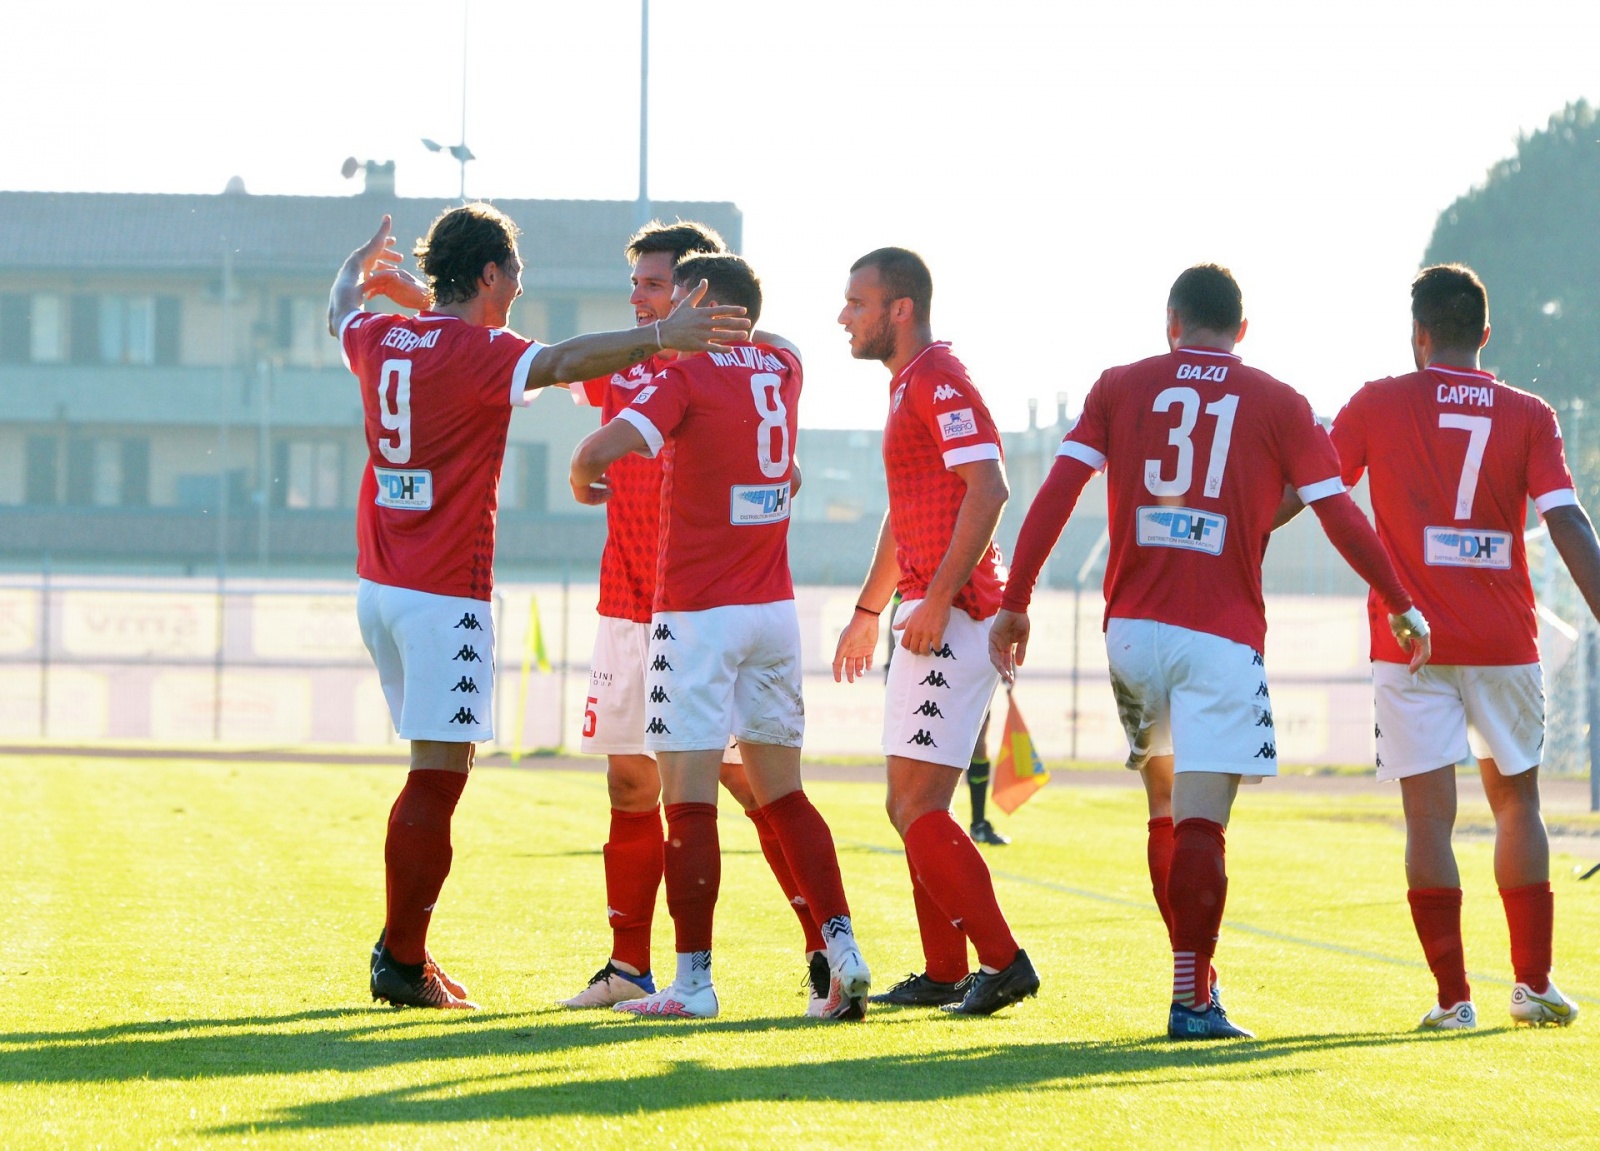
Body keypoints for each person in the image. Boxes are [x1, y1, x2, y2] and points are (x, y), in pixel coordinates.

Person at [988, 263, 1431, 1039]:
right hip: (1218, 634)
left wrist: (1016, 600)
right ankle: (1192, 997)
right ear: (1243, 329)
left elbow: (1055, 493)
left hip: (1130, 632)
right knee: (1202, 823)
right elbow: (1341, 517)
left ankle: (1196, 972)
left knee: (1164, 809)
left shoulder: (1120, 384)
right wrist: (1400, 602)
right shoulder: (1279, 400)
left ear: (1171, 320)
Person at [330, 206, 750, 1009]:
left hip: (377, 586)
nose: (521, 288)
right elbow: (562, 360)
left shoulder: (381, 338)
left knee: (435, 768)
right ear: (490, 275)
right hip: (442, 592)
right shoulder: (483, 351)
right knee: (438, 776)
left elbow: (340, 309)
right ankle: (401, 957)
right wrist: (666, 337)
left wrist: (357, 269)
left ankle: (405, 949)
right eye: (516, 272)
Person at [569, 253, 871, 1020]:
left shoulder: (685, 375)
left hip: (695, 613)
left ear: (702, 301)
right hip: (773, 609)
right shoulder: (784, 364)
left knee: (691, 804)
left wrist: (582, 468)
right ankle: (843, 950)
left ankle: (693, 982)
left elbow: (599, 450)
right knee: (787, 795)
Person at [1321, 264, 1600, 1029]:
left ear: (1418, 334)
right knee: (1519, 804)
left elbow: (1312, 489)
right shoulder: (1530, 413)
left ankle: (1453, 998)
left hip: (1409, 636)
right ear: (1484, 332)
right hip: (1506, 636)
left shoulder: (1376, 402)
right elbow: (1568, 522)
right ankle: (1534, 983)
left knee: (1428, 820)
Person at [832, 247, 1038, 1016]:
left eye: (856, 302)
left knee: (916, 807)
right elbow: (905, 514)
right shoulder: (907, 386)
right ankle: (946, 968)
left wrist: (935, 600)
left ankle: (1004, 962)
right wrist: (868, 611)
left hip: (955, 618)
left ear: (900, 309)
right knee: (912, 804)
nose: (843, 316)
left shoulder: (940, 379)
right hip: (930, 611)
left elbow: (990, 490)